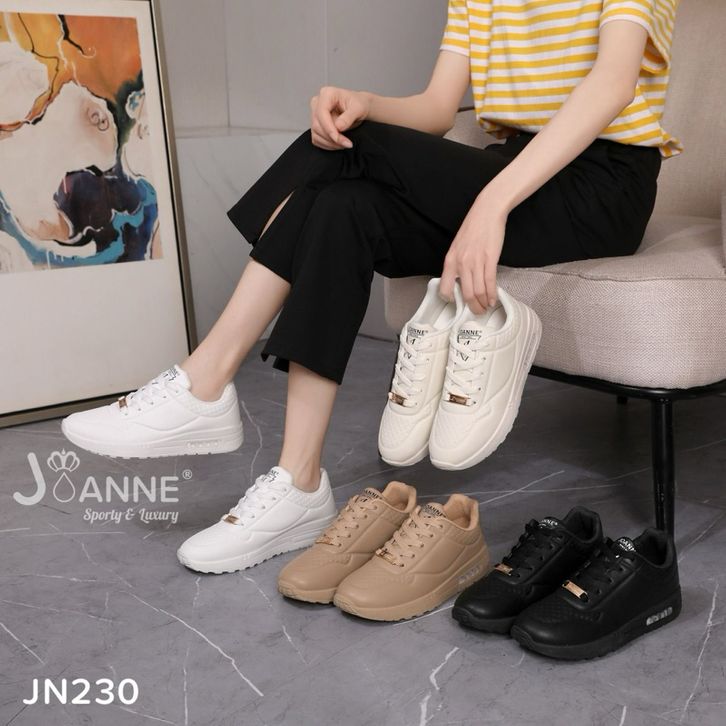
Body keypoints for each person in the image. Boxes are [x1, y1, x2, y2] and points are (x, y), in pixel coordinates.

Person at [61, 0, 681, 574]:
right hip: (514, 163)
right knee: (343, 206)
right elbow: (439, 107)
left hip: (602, 184)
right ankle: (299, 483)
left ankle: (205, 380)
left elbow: (614, 84)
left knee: (346, 153)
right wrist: (364, 102)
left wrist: (490, 207)